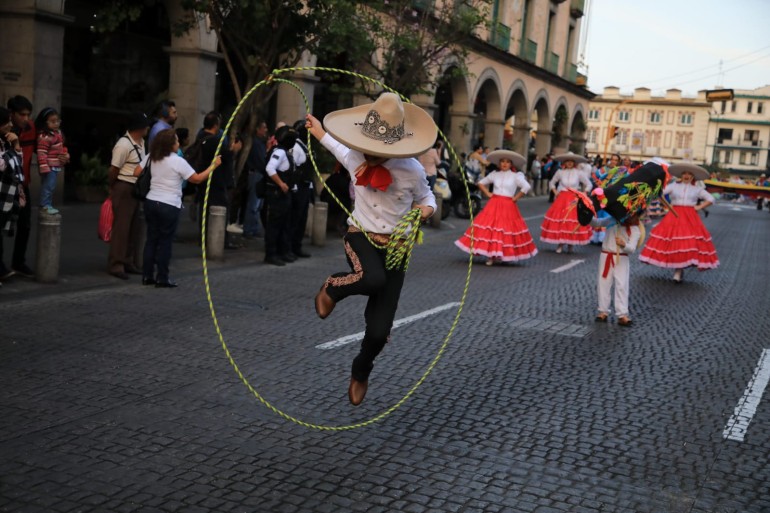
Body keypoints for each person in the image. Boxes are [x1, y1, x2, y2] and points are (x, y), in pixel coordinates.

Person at [305, 91, 437, 406]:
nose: (368, 155)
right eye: (367, 149)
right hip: (360, 235)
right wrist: (317, 129)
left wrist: (425, 211)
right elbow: (335, 145)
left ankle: (361, 370)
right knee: (372, 278)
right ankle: (332, 287)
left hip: (397, 249)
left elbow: (427, 197)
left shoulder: (412, 169)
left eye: (376, 152)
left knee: (379, 332)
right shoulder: (354, 156)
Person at [133, 128, 221, 287]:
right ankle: (162, 277)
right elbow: (196, 179)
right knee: (165, 241)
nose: (178, 143)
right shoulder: (178, 161)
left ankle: (147, 275)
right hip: (169, 203)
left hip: (151, 201)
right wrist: (213, 166)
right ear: (171, 144)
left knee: (151, 240)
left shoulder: (152, 156)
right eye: (176, 140)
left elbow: (136, 172)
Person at [639, 163, 718, 283]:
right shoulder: (674, 186)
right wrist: (666, 204)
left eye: (689, 174)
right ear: (681, 175)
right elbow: (659, 193)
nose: (686, 176)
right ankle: (677, 268)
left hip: (690, 216)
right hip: (674, 214)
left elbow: (711, 199)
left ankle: (679, 270)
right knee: (671, 241)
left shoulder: (697, 189)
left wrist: (699, 207)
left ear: (693, 177)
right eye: (684, 173)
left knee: (685, 243)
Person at [455, 150, 537, 265]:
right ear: (499, 163)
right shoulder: (494, 174)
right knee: (492, 228)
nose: (505, 164)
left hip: (508, 205)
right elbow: (481, 183)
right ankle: (491, 256)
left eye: (507, 162)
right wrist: (487, 193)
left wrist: (516, 198)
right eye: (502, 161)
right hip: (494, 203)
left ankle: (502, 254)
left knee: (505, 230)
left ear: (511, 164)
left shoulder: (516, 176)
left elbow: (526, 186)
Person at [108, 112, 150, 280]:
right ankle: (116, 264)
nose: (148, 128)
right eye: (146, 125)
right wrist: (113, 187)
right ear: (139, 127)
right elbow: (114, 169)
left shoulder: (142, 143)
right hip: (124, 186)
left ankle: (128, 260)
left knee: (134, 228)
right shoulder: (123, 145)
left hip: (135, 188)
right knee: (122, 228)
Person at [262, 125, 306, 265]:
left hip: (284, 195)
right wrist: (281, 184)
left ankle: (282, 252)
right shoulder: (280, 152)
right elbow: (270, 168)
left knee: (284, 224)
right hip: (277, 194)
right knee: (274, 226)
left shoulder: (284, 152)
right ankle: (271, 254)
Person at [591, 214, 641, 327]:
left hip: (621, 258)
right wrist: (587, 215)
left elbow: (632, 248)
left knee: (621, 285)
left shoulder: (634, 228)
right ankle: (603, 311)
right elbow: (597, 223)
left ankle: (622, 314)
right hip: (606, 255)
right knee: (603, 283)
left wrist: (624, 244)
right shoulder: (611, 220)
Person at [6, 96, 36, 278]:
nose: (26, 119)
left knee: (25, 224)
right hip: (5, 185)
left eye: (28, 115)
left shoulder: (31, 128)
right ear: (12, 114)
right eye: (22, 115)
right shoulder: (4, 129)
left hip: (22, 184)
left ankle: (18, 262)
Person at [540, 152, 593, 253]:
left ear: (574, 163)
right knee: (562, 221)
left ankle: (570, 244)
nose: (569, 163)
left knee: (573, 221)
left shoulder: (579, 173)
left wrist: (584, 193)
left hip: (574, 198)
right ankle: (560, 244)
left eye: (571, 161)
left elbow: (589, 184)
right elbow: (552, 182)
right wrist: (555, 192)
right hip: (562, 199)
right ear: (564, 162)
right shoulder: (560, 172)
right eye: (567, 161)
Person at [0, 106, 26, 283]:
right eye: (6, 122)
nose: (10, 125)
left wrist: (16, 146)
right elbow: (3, 166)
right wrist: (14, 149)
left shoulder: (5, 142)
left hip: (4, 195)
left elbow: (18, 166)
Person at [34, 107, 69, 215]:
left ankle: (48, 204)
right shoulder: (45, 137)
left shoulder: (57, 133)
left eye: (58, 121)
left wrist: (65, 154)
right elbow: (41, 153)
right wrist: (44, 168)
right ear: (45, 122)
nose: (56, 124)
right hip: (48, 167)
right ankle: (44, 205)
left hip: (54, 165)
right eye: (53, 121)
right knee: (48, 186)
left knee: (51, 186)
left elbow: (60, 147)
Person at [242, 119, 268, 238]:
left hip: (259, 173)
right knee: (253, 203)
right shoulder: (256, 143)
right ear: (258, 129)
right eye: (264, 128)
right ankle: (249, 229)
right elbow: (260, 160)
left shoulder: (260, 142)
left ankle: (254, 228)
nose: (266, 130)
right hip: (256, 173)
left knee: (258, 204)